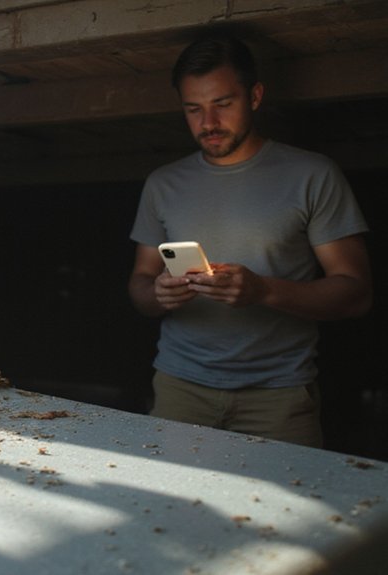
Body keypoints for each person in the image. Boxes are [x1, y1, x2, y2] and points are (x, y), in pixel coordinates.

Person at [127, 35, 372, 447]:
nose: (208, 123)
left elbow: (356, 293)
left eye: (222, 104)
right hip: (179, 388)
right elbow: (139, 284)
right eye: (193, 109)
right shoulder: (163, 184)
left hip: (279, 396)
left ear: (255, 96)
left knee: (288, 512)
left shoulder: (312, 175)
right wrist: (158, 295)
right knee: (170, 509)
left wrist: (262, 290)